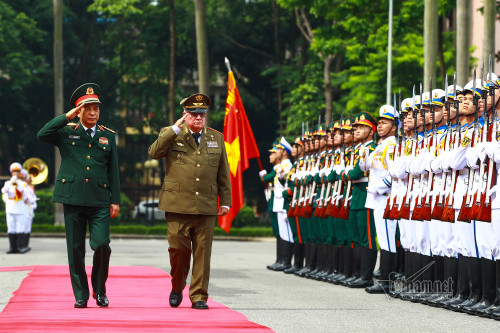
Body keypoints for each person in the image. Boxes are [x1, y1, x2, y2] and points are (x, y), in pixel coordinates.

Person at [37, 83, 120, 308]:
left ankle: (100, 290)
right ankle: (80, 294)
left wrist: (115, 200)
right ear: (79, 111)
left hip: (100, 200)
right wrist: (66, 116)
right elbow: (42, 134)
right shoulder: (66, 132)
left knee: (102, 244)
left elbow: (113, 170)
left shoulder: (108, 136)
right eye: (88, 108)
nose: (93, 113)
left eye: (96, 109)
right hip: (72, 198)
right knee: (75, 249)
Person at [148, 93, 231, 310]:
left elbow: (223, 172)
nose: (198, 118)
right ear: (185, 115)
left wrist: (226, 201)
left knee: (203, 253)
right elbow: (154, 152)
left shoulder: (216, 138)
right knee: (177, 250)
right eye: (193, 114)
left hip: (206, 204)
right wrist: (174, 130)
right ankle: (177, 286)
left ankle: (199, 296)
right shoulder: (171, 134)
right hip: (177, 205)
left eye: (202, 114)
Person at [2, 162, 28, 254]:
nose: (15, 173)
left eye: (17, 171)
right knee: (11, 228)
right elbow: (4, 190)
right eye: (14, 171)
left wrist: (17, 183)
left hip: (20, 208)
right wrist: (11, 182)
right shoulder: (7, 183)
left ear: (20, 173)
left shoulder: (23, 184)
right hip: (10, 207)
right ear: (11, 173)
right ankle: (12, 247)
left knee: (20, 228)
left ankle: (20, 247)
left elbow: (24, 194)